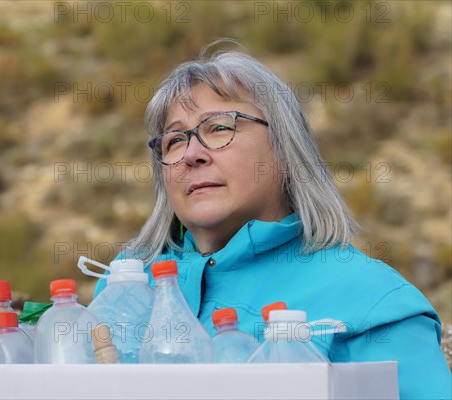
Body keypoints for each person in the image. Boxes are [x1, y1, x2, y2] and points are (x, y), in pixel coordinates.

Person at [93, 42, 451, 398]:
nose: (191, 155)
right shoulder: (125, 284)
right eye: (174, 140)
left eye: (219, 128)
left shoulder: (371, 301)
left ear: (286, 149)